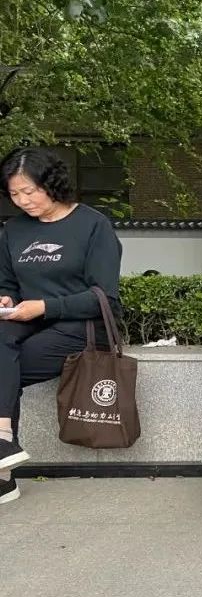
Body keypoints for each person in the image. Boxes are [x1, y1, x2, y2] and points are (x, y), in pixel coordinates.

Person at [0, 147, 122, 505]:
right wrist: (6, 298)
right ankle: (3, 442)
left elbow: (104, 298)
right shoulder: (13, 230)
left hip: (82, 326)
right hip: (27, 320)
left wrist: (45, 306)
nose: (23, 201)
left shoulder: (93, 225)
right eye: (14, 194)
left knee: (5, 367)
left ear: (51, 183)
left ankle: (3, 475)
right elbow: (7, 282)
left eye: (29, 191)